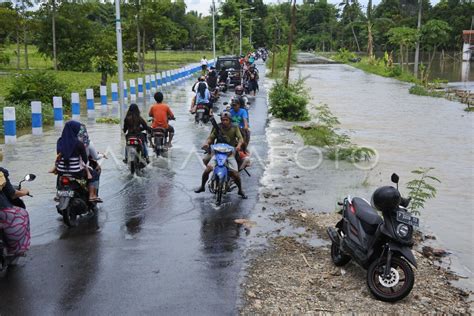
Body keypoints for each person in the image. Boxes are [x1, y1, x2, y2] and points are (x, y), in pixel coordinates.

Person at [194, 112, 247, 199]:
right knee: (207, 170)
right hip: (217, 152)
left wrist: (238, 146)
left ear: (230, 120)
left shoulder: (235, 127)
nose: (224, 121)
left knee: (236, 174)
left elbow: (240, 139)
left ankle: (240, 190)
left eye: (226, 120)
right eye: (223, 120)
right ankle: (202, 186)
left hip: (230, 154)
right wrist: (207, 143)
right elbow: (211, 137)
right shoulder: (217, 127)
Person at [0, 167, 31, 256]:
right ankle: (18, 249)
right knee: (23, 214)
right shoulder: (1, 172)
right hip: (3, 209)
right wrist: (25, 192)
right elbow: (13, 194)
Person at [78, 124, 104, 202]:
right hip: (80, 167)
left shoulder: (67, 142)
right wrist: (102, 155)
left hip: (65, 167)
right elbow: (95, 157)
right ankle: (92, 195)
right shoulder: (87, 143)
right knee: (95, 173)